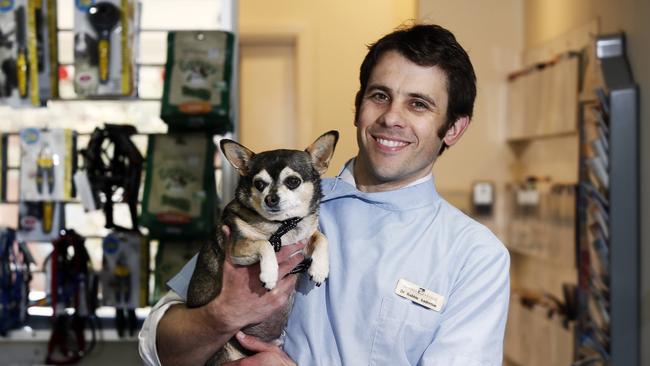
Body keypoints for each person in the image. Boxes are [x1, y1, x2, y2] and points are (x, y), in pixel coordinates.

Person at [139, 23, 510, 366]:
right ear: (357, 106)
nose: (391, 118)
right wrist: (220, 316)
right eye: (380, 96)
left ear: (454, 129)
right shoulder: (267, 213)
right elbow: (157, 347)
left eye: (419, 104)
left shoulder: (474, 257)